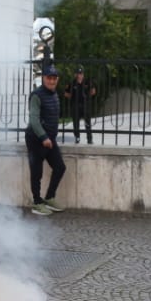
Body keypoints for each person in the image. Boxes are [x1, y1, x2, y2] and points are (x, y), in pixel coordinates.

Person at [25, 64, 67, 216]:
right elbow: (34, 119)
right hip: (36, 139)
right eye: (49, 78)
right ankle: (37, 203)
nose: (52, 81)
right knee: (37, 173)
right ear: (43, 78)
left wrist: (50, 137)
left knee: (60, 167)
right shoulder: (36, 95)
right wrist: (43, 137)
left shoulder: (54, 94)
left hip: (50, 139)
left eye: (54, 78)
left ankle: (49, 198)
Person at [67, 66, 97, 145]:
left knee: (87, 123)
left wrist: (87, 97)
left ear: (83, 74)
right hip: (76, 106)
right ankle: (77, 138)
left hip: (85, 105)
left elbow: (93, 91)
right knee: (76, 123)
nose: (79, 75)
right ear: (75, 74)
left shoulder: (87, 82)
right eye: (78, 73)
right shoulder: (72, 83)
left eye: (81, 74)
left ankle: (89, 139)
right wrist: (72, 97)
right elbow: (66, 93)